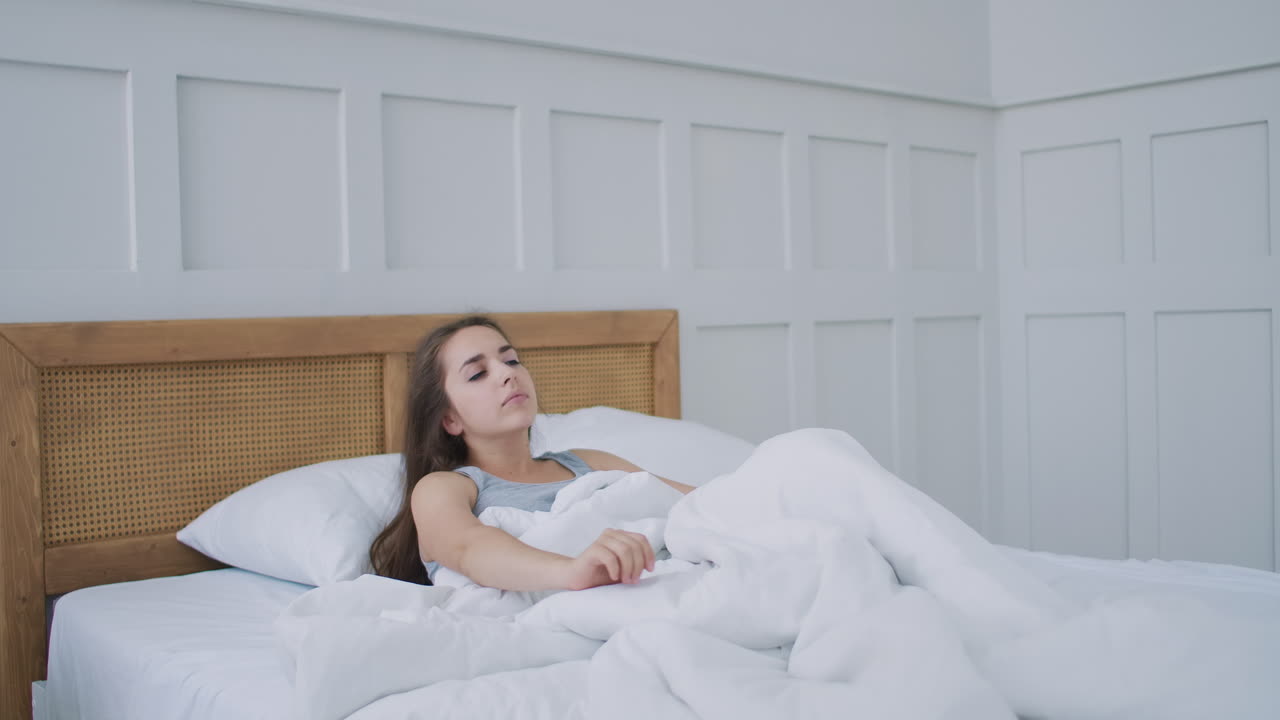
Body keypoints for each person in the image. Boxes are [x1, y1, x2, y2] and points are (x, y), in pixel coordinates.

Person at [370, 315, 694, 591]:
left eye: (511, 360)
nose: (508, 373)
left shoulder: (590, 462)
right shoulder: (443, 488)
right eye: (477, 373)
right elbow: (468, 548)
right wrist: (573, 571)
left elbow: (694, 503)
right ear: (449, 419)